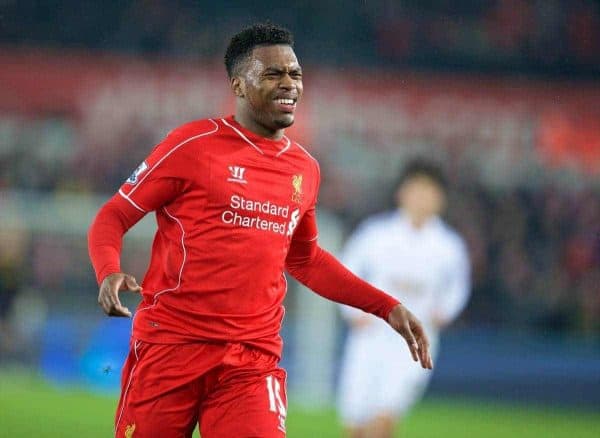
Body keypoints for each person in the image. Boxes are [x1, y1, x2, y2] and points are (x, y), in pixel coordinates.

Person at [88, 23, 432, 438]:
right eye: (274, 74)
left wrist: (386, 306)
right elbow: (113, 215)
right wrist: (108, 269)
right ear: (239, 84)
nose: (290, 84)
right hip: (170, 348)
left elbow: (305, 259)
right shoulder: (192, 146)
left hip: (251, 361)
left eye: (296, 74)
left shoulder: (304, 168)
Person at [337, 160, 471, 438]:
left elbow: (458, 287)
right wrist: (352, 312)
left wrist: (444, 312)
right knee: (355, 425)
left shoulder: (448, 245)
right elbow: (346, 270)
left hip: (414, 342)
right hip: (371, 336)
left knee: (385, 419)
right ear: (402, 192)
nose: (421, 198)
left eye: (428, 192)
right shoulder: (375, 234)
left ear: (440, 199)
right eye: (416, 190)